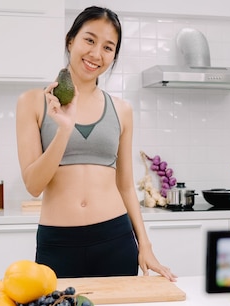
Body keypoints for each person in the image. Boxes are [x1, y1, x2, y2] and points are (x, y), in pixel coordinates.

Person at [15, 6, 176, 281]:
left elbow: (125, 184)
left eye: (108, 47)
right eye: (89, 40)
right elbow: (33, 185)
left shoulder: (122, 110)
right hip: (58, 243)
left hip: (116, 238)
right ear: (70, 40)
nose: (96, 54)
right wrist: (64, 129)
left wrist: (145, 245)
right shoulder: (33, 102)